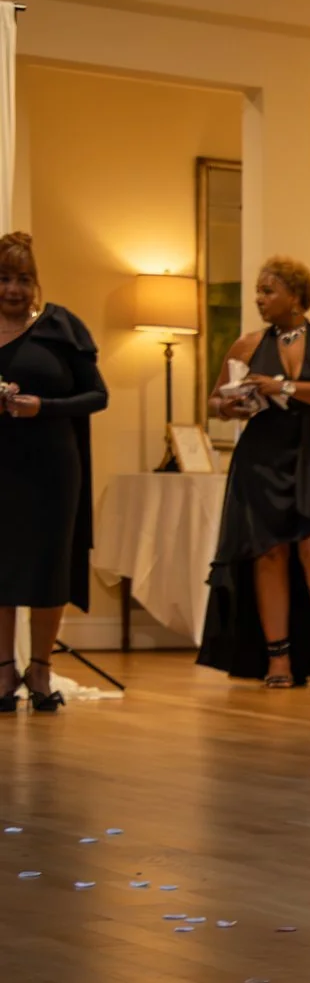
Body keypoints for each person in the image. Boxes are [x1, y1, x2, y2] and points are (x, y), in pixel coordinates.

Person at [197, 257, 310, 688]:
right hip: (262, 454)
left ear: (295, 295)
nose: (259, 298)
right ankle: (278, 658)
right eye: (258, 291)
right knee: (268, 552)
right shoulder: (246, 344)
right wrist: (232, 406)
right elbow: (213, 403)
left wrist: (285, 387)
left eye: (268, 290)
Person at [0, 232, 107, 715]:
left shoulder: (61, 326)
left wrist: (43, 406)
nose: (12, 290)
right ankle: (3, 671)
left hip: (50, 468)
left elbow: (97, 396)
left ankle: (40, 669)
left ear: (36, 282)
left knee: (47, 566)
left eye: (23, 279)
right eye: (3, 279)